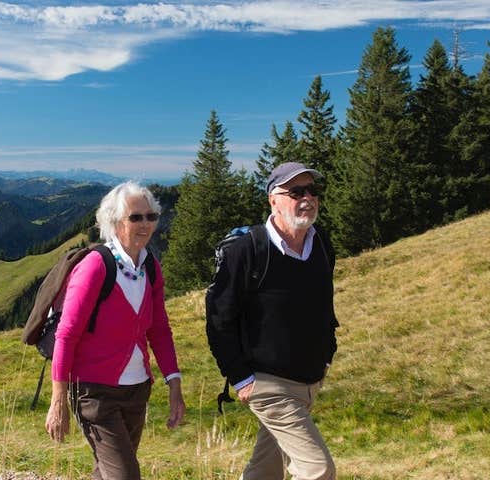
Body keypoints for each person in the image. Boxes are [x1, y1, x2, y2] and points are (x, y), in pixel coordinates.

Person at [206, 162, 338, 480]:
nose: (307, 198)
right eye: (296, 191)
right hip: (267, 383)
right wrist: (240, 378)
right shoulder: (248, 251)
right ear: (273, 200)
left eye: (312, 191)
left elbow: (322, 304)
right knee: (318, 469)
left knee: (265, 470)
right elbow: (218, 318)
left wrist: (326, 354)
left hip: (308, 380)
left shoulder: (321, 245)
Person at [45, 181, 186, 480]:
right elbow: (67, 334)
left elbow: (159, 329)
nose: (146, 224)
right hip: (94, 392)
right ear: (115, 222)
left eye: (151, 216)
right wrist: (58, 399)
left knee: (108, 472)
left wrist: (174, 383)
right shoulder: (96, 266)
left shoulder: (151, 268)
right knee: (125, 475)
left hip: (137, 390)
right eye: (136, 217)